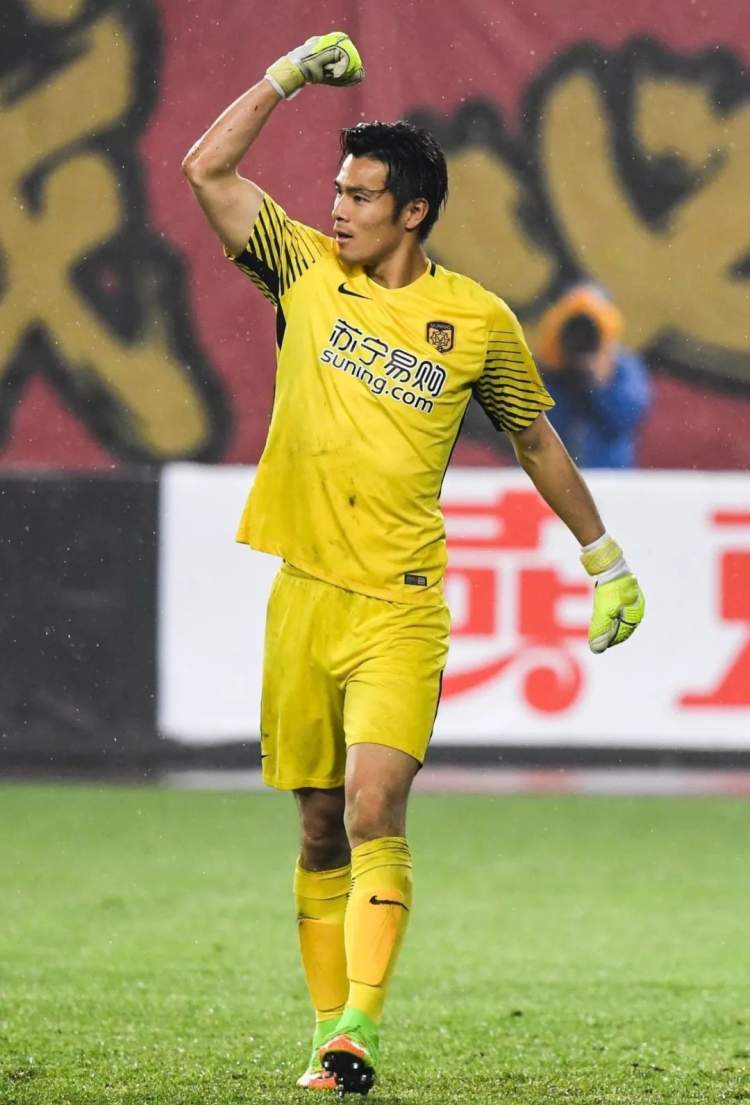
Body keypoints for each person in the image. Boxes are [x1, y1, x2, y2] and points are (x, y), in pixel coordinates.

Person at [182, 32, 645, 1097]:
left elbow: (535, 438)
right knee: (317, 826)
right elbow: (205, 169)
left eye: (361, 195)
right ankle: (326, 1036)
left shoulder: (476, 321)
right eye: (337, 190)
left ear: (414, 211)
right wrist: (287, 75)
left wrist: (605, 557)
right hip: (305, 596)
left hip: (400, 606)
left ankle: (359, 1028)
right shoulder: (303, 268)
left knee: (371, 808)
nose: (338, 208)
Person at [535, 284, 652, 468]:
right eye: (575, 332)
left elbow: (628, 417)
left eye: (588, 331)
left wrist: (602, 383)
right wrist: (557, 374)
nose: (581, 339)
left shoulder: (621, 366)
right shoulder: (548, 368)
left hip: (609, 474)